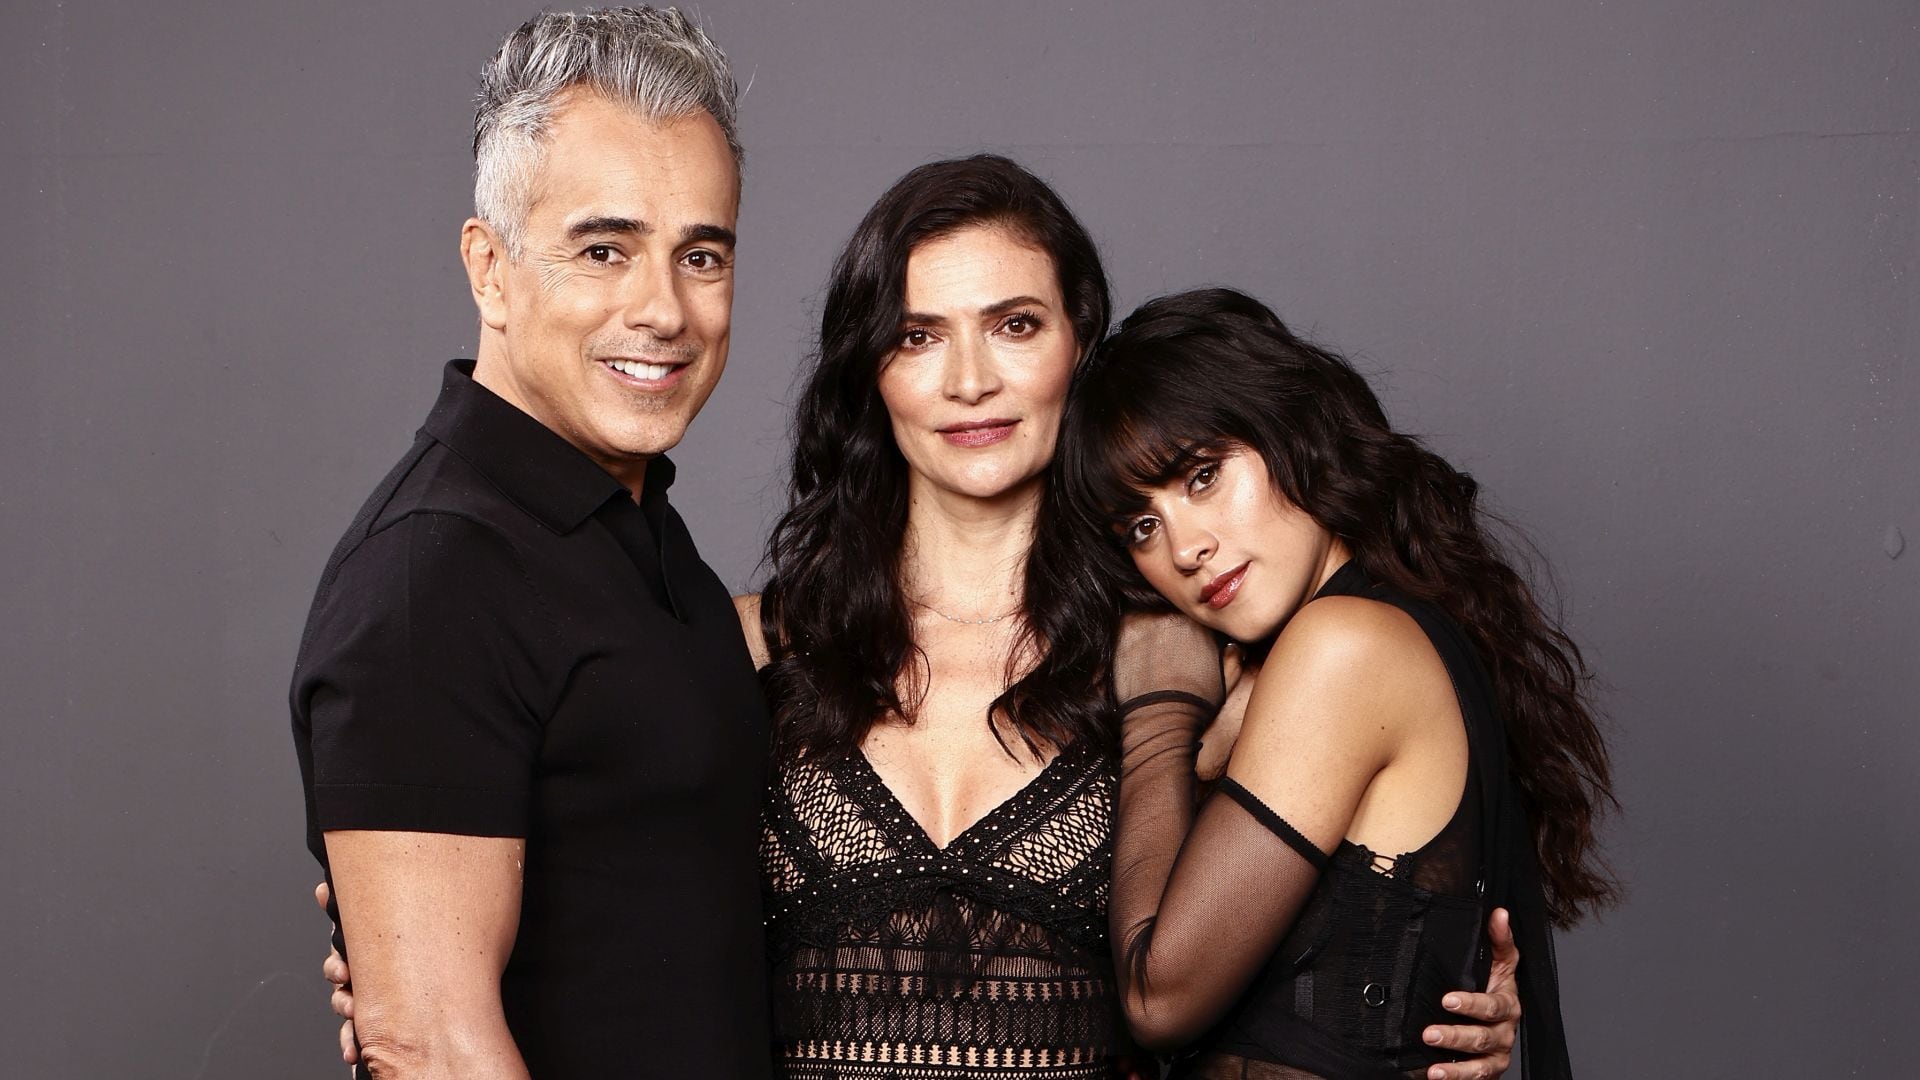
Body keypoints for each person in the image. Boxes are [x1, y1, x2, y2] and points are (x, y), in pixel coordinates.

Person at [318, 159, 1526, 1078]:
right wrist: (407, 960)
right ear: (871, 372)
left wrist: (1447, 999)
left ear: (1079, 348)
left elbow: (1342, 934)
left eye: (1015, 326)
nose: (969, 381)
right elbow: (570, 907)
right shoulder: (737, 649)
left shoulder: (1200, 653)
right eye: (917, 336)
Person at [288, 8, 770, 1079]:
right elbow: (429, 1048)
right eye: (603, 250)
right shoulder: (432, 576)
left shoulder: (623, 531)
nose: (664, 310)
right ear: (490, 267)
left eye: (700, 255)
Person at [1058, 288, 1619, 1078]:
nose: (1185, 548)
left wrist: (1158, 709)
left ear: (1292, 433)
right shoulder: (1330, 652)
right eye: (1141, 527)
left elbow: (1159, 1000)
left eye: (1203, 476)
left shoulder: (1347, 646)